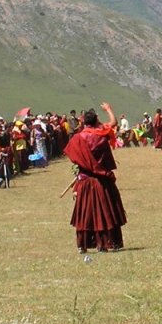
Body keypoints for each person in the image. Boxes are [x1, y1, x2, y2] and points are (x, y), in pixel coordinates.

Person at [64, 103, 127, 253]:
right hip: (102, 181)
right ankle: (106, 243)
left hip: (85, 180)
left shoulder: (77, 139)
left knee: (85, 213)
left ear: (83, 122)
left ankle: (82, 245)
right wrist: (108, 109)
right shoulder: (101, 134)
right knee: (105, 212)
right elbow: (113, 123)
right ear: (96, 121)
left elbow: (74, 158)